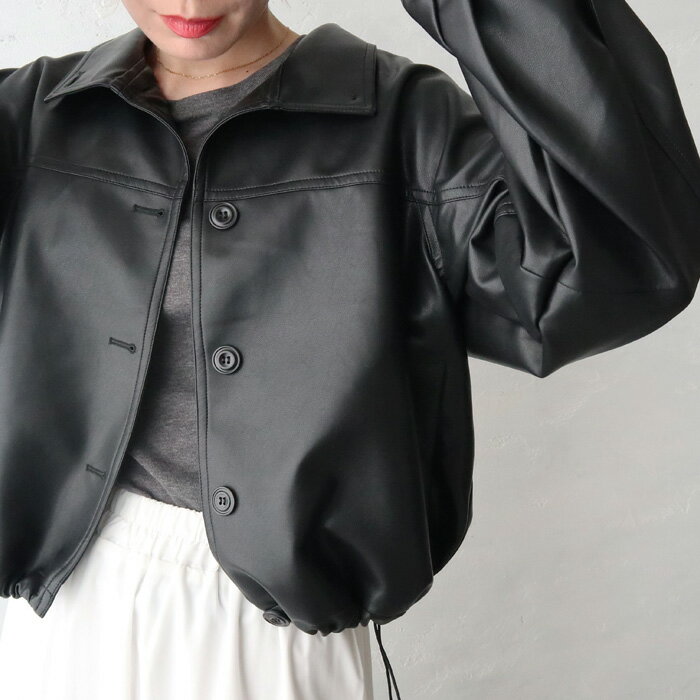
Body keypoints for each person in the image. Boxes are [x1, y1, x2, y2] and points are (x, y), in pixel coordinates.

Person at [0, 1, 699, 699]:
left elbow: (613, 269)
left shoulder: (406, 124)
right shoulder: (32, 113)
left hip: (277, 639)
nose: (188, 5)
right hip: (60, 604)